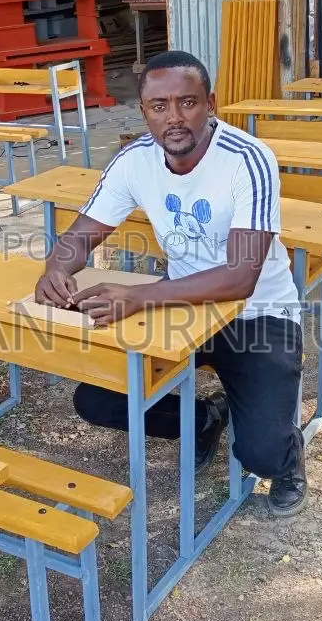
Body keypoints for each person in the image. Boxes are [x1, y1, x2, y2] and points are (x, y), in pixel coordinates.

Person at [34, 50, 308, 517]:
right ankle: (206, 419)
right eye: (159, 107)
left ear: (211, 103)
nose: (174, 118)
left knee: (259, 454)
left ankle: (287, 452)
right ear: (143, 112)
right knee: (96, 399)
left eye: (188, 102)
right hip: (182, 307)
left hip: (260, 314)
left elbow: (241, 277)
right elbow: (80, 236)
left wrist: (137, 297)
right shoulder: (134, 161)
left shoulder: (248, 158)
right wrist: (56, 268)